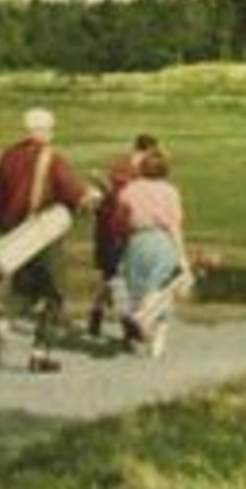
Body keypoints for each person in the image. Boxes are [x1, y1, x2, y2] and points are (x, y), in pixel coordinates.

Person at [0, 107, 98, 373]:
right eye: (50, 129)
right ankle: (39, 354)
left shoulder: (8, 156)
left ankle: (2, 322)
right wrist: (92, 196)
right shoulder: (51, 158)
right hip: (44, 234)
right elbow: (74, 194)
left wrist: (6, 220)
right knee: (55, 294)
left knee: (23, 290)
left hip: (14, 237)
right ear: (43, 131)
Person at [113, 149, 191, 358]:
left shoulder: (130, 190)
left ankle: (141, 326)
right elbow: (174, 225)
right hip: (162, 242)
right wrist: (182, 257)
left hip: (137, 241)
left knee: (137, 288)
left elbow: (119, 220)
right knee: (163, 289)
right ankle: (157, 335)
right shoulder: (170, 191)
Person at [87, 133, 161, 338]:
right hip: (121, 230)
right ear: (148, 151)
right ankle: (127, 325)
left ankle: (96, 313)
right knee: (123, 278)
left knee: (110, 276)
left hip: (108, 229)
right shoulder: (139, 172)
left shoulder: (119, 166)